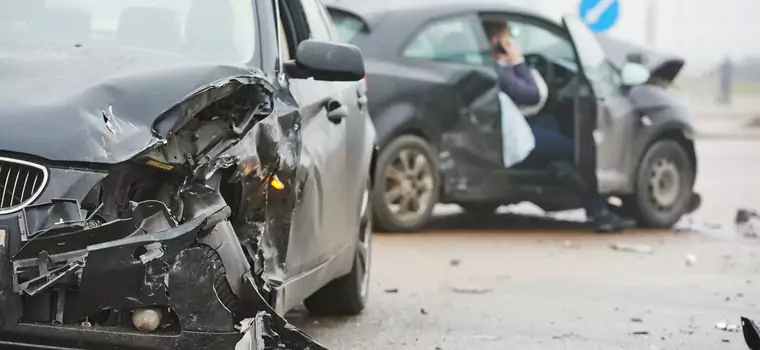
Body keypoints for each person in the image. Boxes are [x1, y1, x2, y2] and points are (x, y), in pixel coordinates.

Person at [484, 21, 636, 233]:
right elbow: (532, 94)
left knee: (551, 123)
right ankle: (597, 211)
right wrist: (518, 61)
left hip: (506, 128)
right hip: (511, 138)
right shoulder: (497, 70)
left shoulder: (486, 66)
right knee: (576, 150)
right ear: (496, 42)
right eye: (507, 40)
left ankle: (559, 173)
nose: (511, 44)